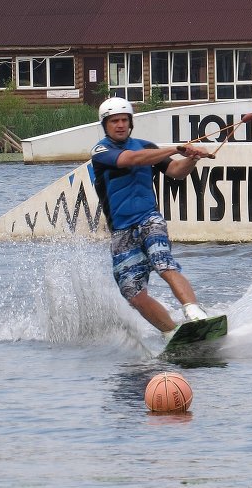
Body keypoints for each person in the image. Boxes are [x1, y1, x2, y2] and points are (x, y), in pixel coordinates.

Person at [90, 97, 214, 341]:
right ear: (105, 125)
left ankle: (194, 312)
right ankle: (172, 332)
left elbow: (176, 172)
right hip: (121, 231)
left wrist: (192, 158)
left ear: (131, 122)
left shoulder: (147, 146)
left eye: (125, 120)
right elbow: (130, 160)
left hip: (149, 219)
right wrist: (176, 148)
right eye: (114, 121)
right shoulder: (101, 151)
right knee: (132, 293)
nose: (120, 125)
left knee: (163, 262)